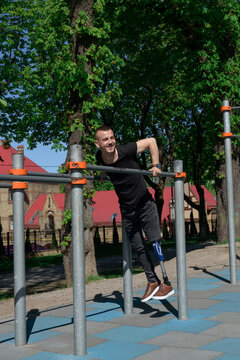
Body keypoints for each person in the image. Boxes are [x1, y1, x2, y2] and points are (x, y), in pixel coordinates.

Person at [95, 125, 174, 302]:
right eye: (105, 139)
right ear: (97, 143)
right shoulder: (99, 156)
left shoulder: (125, 150)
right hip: (126, 207)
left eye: (112, 137)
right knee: (138, 245)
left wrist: (156, 165)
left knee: (154, 240)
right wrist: (101, 174)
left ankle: (166, 283)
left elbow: (151, 142)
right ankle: (152, 281)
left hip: (144, 202)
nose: (110, 142)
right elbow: (102, 165)